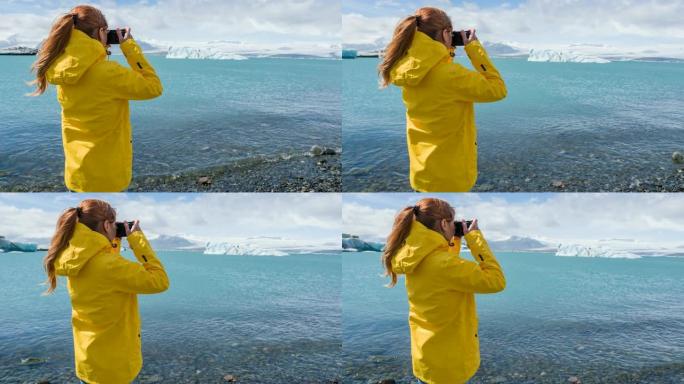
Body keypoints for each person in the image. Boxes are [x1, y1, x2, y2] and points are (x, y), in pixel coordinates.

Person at [31, 5, 163, 192]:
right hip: (108, 178)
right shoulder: (108, 73)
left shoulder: (60, 69)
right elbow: (154, 87)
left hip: (76, 175)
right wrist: (130, 48)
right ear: (102, 32)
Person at [379, 7, 507, 192]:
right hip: (451, 179)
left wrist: (446, 52)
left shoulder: (405, 68)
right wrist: (474, 49)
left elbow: (435, 71)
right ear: (446, 33)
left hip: (421, 174)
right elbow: (498, 89)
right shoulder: (451, 76)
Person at [43, 199, 169, 383]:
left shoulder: (74, 258)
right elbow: (160, 281)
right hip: (114, 370)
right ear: (107, 225)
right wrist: (138, 241)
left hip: (88, 363)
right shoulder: (110, 266)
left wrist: (110, 242)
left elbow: (104, 268)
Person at [382, 197, 506, 384]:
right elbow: (496, 281)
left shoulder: (413, 257)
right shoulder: (445, 265)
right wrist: (475, 239)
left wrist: (453, 239)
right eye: (451, 223)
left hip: (426, 359)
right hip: (450, 368)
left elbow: (442, 266)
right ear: (443, 223)